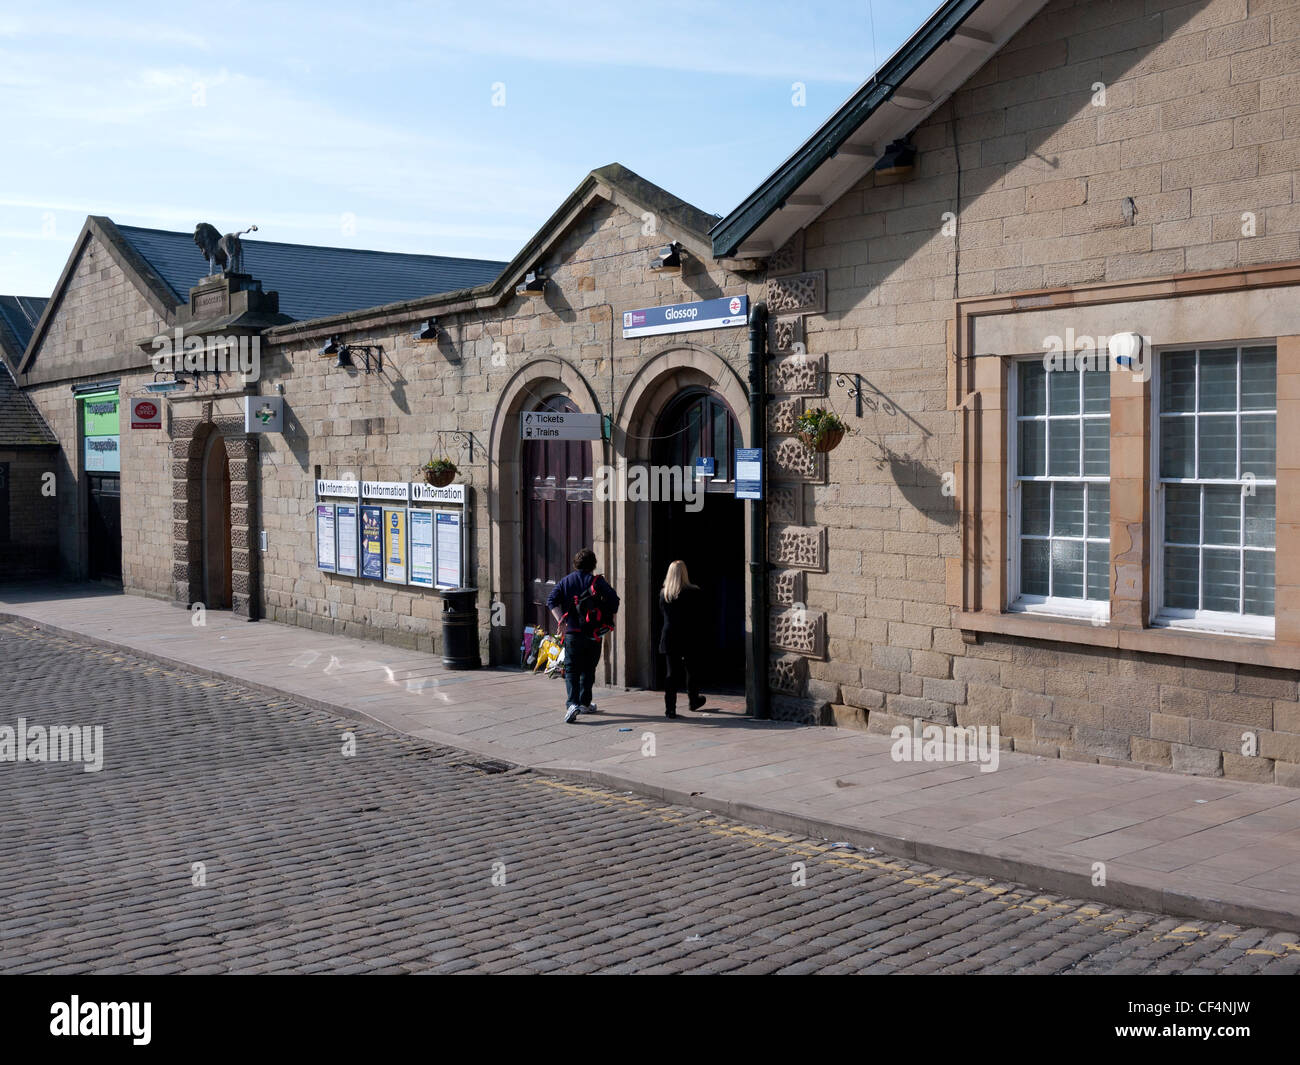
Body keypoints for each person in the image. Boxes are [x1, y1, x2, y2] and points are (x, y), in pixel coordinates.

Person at [547, 548, 619, 724]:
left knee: (571, 669)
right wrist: (607, 618)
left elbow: (551, 601)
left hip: (572, 633)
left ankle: (573, 704)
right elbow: (615, 601)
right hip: (593, 633)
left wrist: (561, 621)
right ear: (593, 564)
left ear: (575, 564)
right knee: (589, 668)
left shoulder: (566, 581)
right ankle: (585, 703)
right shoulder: (597, 581)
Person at [659, 560, 706, 719]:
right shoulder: (694, 592)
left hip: (670, 635)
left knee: (671, 673)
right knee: (691, 670)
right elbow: (700, 615)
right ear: (685, 573)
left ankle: (670, 709)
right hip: (689, 635)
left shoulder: (664, 594)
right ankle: (693, 701)